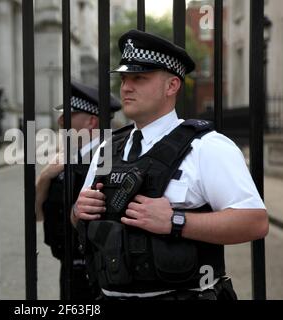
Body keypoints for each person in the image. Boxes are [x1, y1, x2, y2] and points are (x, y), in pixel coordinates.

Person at [71, 29, 269, 300]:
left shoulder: (207, 147)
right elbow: (79, 219)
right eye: (125, 78)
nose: (126, 87)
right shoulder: (108, 148)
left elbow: (255, 222)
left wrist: (175, 221)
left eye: (139, 78)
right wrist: (78, 210)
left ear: (172, 86)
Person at [35, 80, 121, 300]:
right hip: (68, 265)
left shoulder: (112, 159)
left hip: (102, 268)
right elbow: (36, 215)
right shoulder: (67, 159)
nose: (60, 120)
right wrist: (45, 177)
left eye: (69, 115)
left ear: (92, 121)